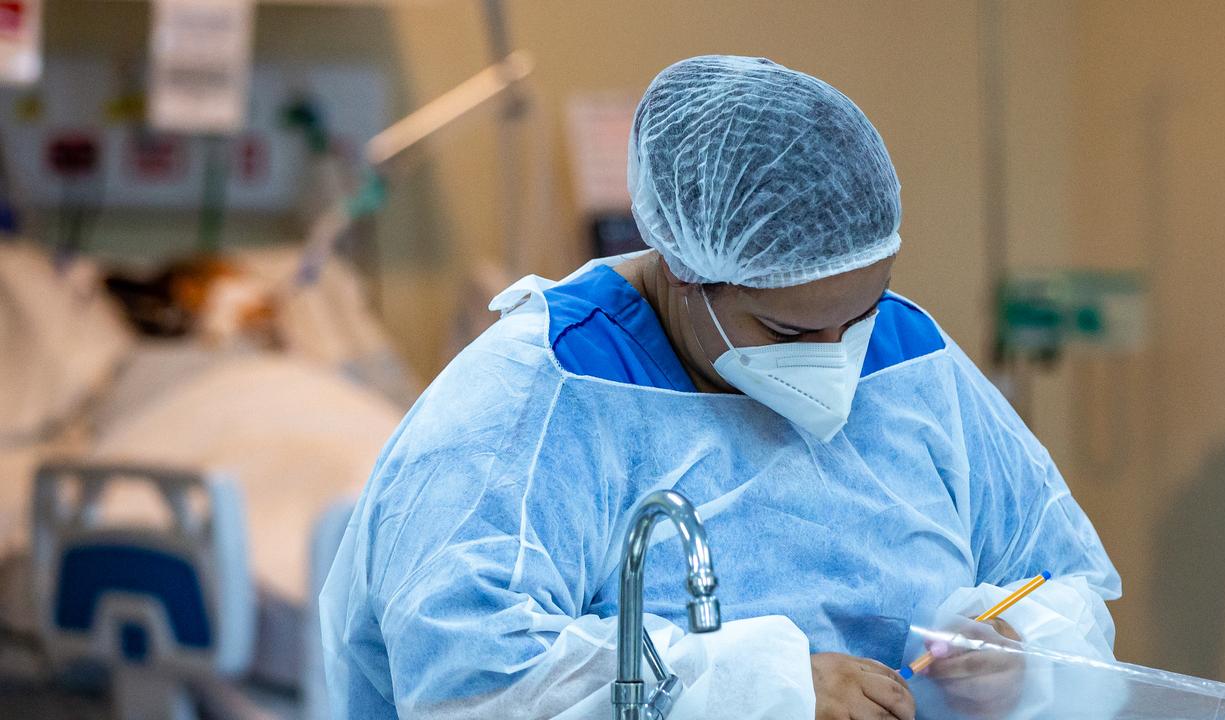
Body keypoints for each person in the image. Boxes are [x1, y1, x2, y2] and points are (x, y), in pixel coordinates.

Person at [321, 55, 1120, 720]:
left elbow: (1063, 577)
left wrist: (1016, 653)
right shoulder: (539, 395)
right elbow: (468, 680)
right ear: (680, 267)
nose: (836, 359)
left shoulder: (912, 359)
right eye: (787, 333)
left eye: (860, 315)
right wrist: (758, 692)